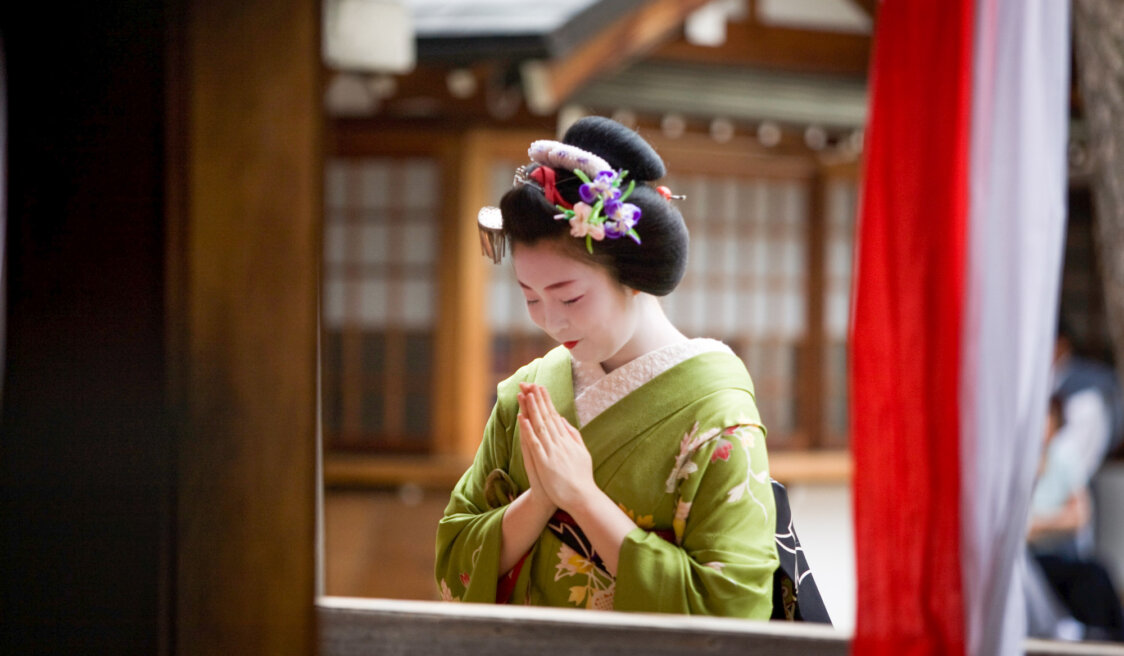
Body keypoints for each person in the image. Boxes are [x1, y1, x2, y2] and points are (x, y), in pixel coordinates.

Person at [434, 116, 778, 616]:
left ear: (634, 276)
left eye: (569, 296)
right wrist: (539, 500)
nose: (550, 321)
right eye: (530, 297)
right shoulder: (526, 396)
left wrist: (580, 497)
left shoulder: (721, 419)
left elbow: (732, 607)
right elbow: (453, 561)